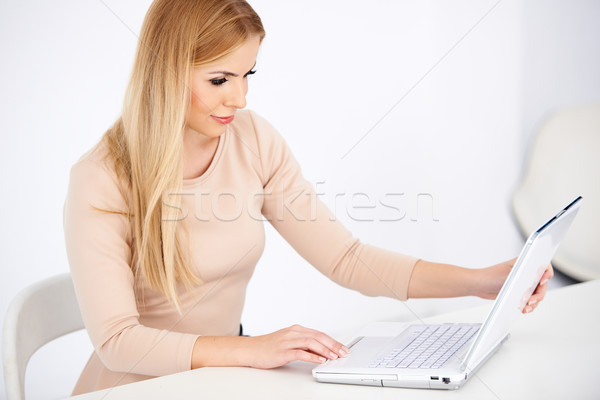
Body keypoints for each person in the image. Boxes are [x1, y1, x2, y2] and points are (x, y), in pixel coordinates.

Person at [63, 0, 553, 395]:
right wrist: (251, 349)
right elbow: (117, 343)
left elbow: (345, 258)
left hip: (220, 382)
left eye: (247, 74)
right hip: (131, 390)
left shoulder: (253, 139)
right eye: (220, 80)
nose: (241, 99)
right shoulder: (100, 177)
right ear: (165, 73)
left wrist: (482, 282)